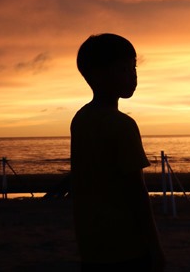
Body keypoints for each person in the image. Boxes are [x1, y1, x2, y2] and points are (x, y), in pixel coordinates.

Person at [70, 33, 165, 271]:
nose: (133, 75)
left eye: (133, 68)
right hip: (127, 243)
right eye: (124, 68)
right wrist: (154, 246)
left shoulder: (81, 118)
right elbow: (136, 191)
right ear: (97, 75)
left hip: (91, 243)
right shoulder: (122, 125)